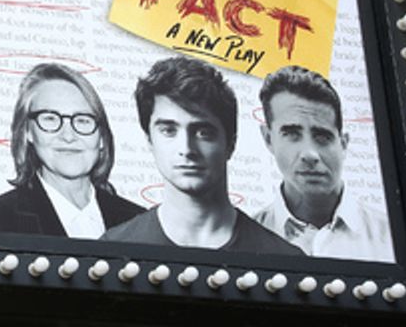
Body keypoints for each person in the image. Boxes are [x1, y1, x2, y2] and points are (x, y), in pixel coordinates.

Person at [101, 57, 303, 255]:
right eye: (169, 131)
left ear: (230, 144)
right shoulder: (113, 250)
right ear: (150, 141)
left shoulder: (285, 259)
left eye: (203, 133)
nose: (187, 149)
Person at [0, 63, 144, 237]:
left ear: (101, 137)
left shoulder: (139, 223)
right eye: (50, 119)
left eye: (82, 120)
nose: (68, 136)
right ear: (28, 131)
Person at [251, 66, 394, 262]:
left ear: (343, 144)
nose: (310, 154)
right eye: (292, 134)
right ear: (268, 139)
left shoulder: (390, 239)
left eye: (322, 136)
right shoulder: (240, 241)